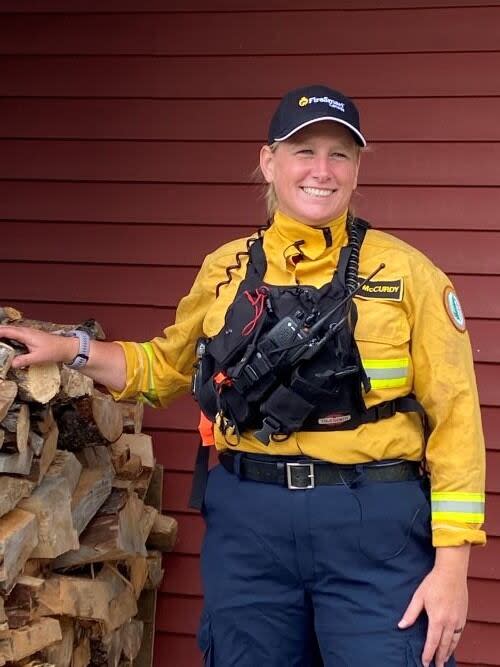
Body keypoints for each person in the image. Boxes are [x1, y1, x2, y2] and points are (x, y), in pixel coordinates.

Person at [0, 84, 485, 667]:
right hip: (250, 526)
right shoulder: (224, 268)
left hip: (373, 529)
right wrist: (71, 347)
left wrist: (453, 569)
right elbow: (164, 368)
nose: (321, 170)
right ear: (268, 161)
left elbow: (457, 421)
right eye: (303, 151)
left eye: (340, 154)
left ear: (357, 170)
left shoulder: (411, 274)